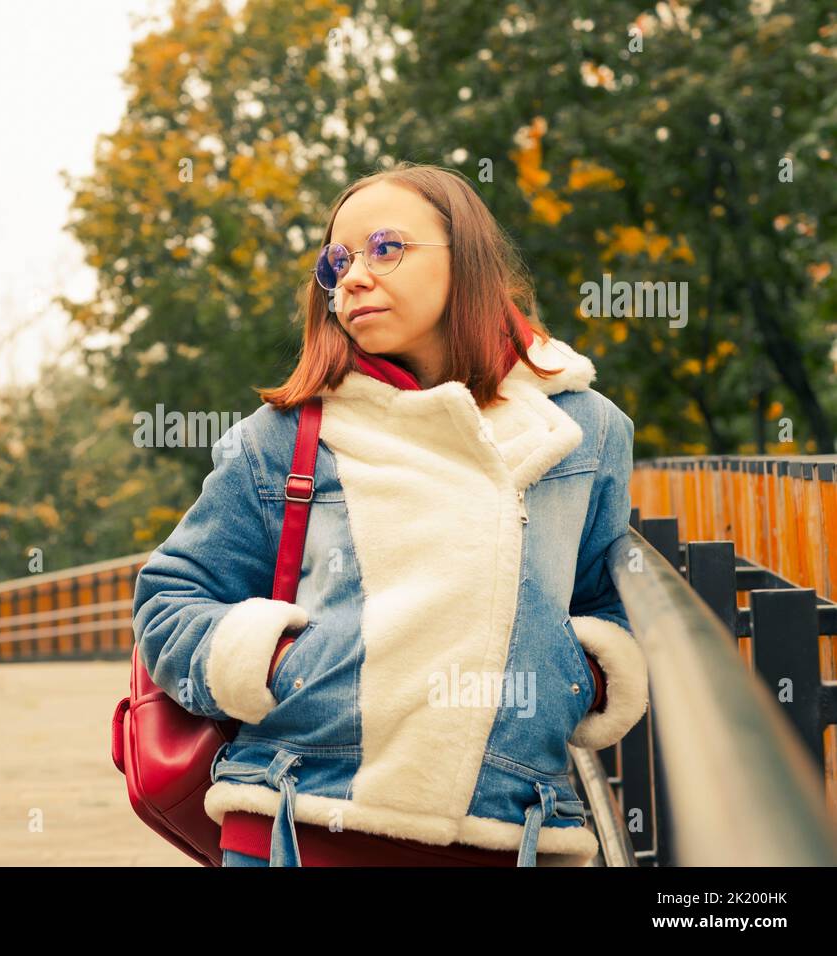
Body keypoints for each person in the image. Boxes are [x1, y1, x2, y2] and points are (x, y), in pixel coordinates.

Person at [131, 163, 649, 867]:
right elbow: (167, 602)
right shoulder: (283, 435)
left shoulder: (586, 431)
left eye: (386, 249)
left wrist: (576, 678)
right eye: (337, 262)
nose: (353, 277)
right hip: (299, 816)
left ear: (465, 259)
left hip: (510, 828)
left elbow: (601, 600)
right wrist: (284, 666)